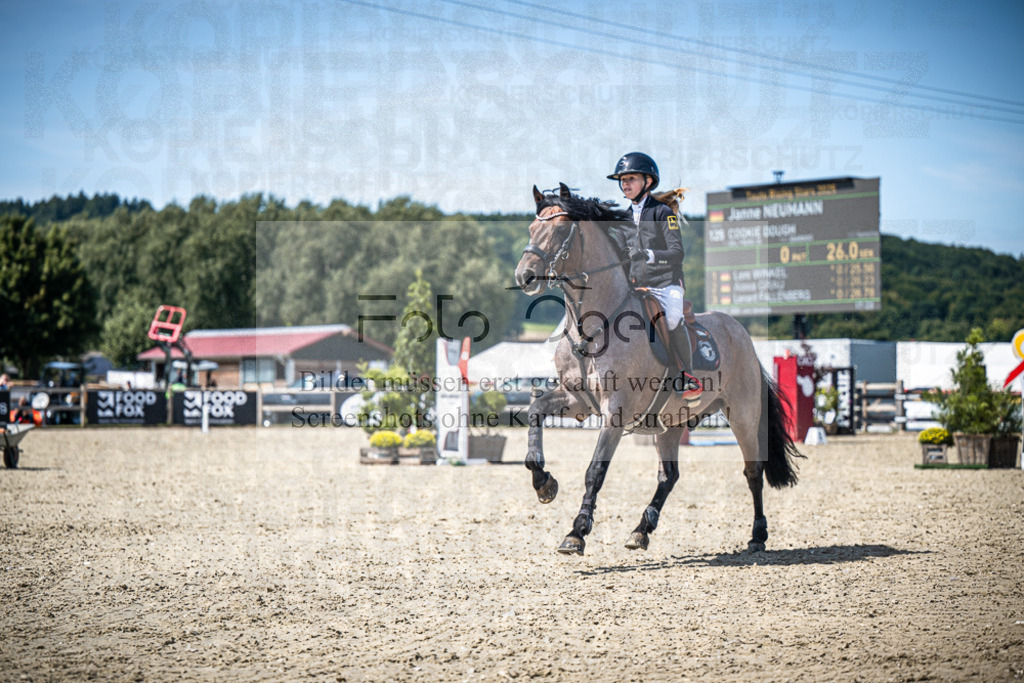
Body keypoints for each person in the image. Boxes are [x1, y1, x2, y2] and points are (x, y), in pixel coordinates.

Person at [607, 151, 702, 399]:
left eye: (631, 179)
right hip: (637, 286)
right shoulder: (624, 219)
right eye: (623, 180)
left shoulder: (663, 213)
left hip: (665, 283)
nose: (625, 184)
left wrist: (647, 254)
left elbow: (676, 252)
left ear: (647, 182)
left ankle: (686, 376)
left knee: (671, 319)